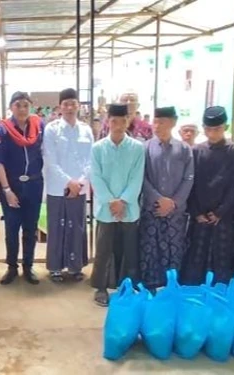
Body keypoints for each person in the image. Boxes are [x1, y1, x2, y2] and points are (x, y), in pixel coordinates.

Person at [181, 106, 234, 285]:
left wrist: (220, 212)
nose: (213, 133)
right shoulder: (196, 151)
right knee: (196, 257)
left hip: (224, 217)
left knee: (221, 259)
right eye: (209, 129)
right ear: (204, 128)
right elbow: (191, 183)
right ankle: (194, 298)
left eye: (217, 129)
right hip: (199, 215)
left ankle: (218, 299)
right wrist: (196, 212)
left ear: (225, 127)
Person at [90, 104, 145, 306]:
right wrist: (111, 201)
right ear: (108, 121)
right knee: (104, 249)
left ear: (128, 121)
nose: (118, 125)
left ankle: (127, 286)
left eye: (123, 121)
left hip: (128, 209)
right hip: (106, 209)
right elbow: (95, 176)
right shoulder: (98, 148)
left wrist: (122, 201)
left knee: (129, 248)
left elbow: (136, 178)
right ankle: (101, 287)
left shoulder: (137, 148)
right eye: (114, 121)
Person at [139, 107, 194, 290]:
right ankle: (151, 286)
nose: (157, 126)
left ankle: (171, 287)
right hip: (152, 208)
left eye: (162, 122)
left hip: (175, 212)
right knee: (150, 249)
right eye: (155, 121)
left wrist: (174, 202)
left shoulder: (184, 149)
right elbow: (142, 177)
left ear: (173, 123)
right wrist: (157, 199)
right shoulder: (145, 148)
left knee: (174, 250)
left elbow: (189, 178)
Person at [43, 88, 94, 282]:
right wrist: (68, 181)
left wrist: (80, 182)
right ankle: (55, 267)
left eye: (73, 103)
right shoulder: (52, 129)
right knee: (57, 226)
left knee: (77, 226)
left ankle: (75, 266)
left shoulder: (86, 130)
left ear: (78, 106)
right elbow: (50, 159)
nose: (70, 107)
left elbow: (91, 159)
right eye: (66, 104)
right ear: (60, 107)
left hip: (80, 188)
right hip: (58, 187)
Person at [0, 91, 44, 285]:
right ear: (11, 107)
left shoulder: (39, 126)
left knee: (30, 229)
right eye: (18, 105)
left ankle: (28, 267)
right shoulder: (3, 129)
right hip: (12, 185)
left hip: (33, 184)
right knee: (12, 229)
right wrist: (6, 190)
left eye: (25, 105)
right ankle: (12, 267)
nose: (22, 109)